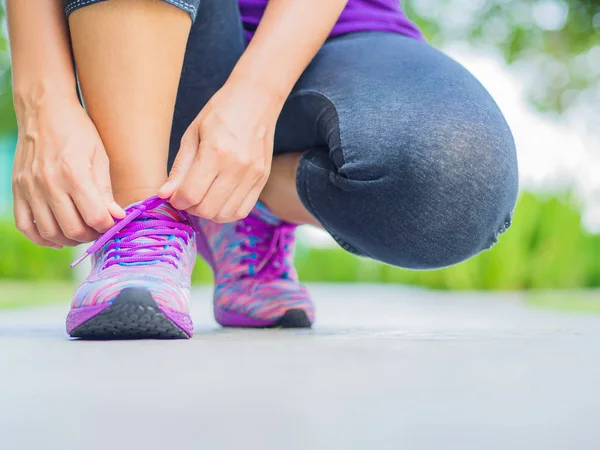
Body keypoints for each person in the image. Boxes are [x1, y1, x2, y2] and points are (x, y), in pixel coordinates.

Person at [7, 0, 518, 339]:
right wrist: (41, 99)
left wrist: (257, 95)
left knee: (458, 177)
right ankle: (140, 225)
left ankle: (246, 210)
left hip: (331, 28)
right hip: (146, 34)